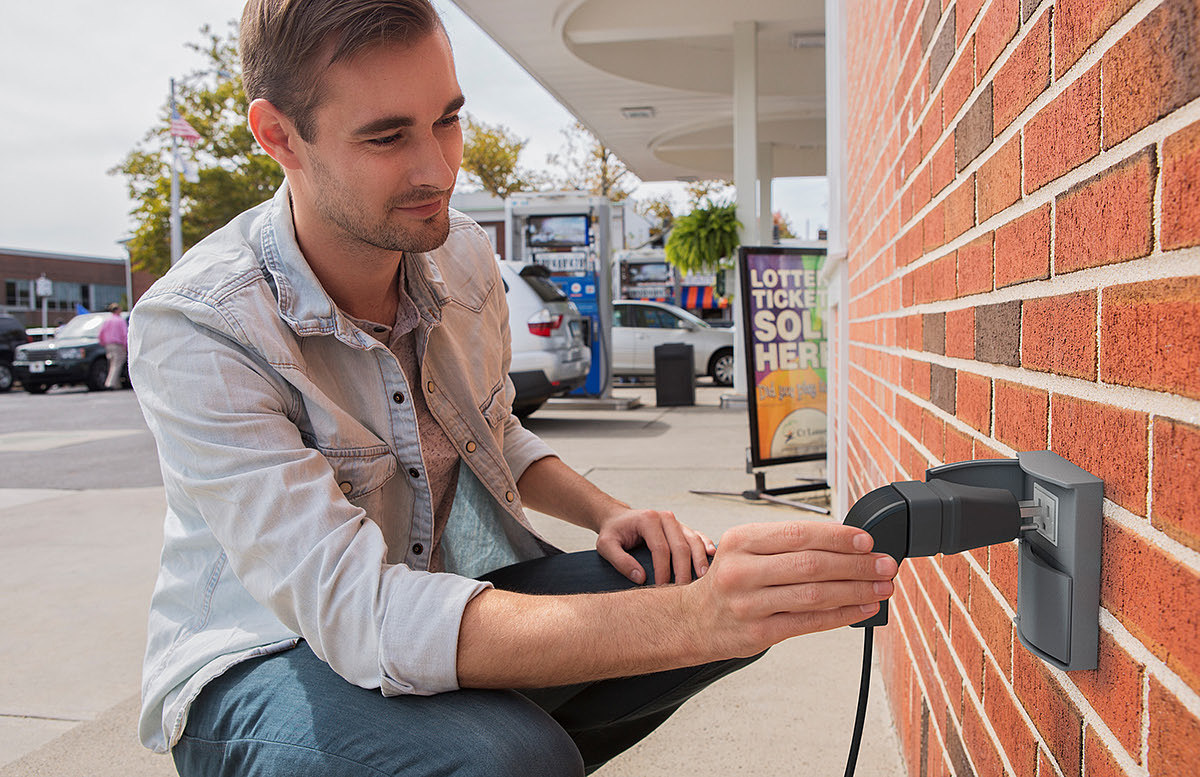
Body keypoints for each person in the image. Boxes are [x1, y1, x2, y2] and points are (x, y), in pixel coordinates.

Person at [128, 2, 899, 775]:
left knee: (692, 581)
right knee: (518, 753)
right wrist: (695, 621)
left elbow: (493, 430)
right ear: (279, 136)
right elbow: (356, 612)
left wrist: (614, 515)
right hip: (260, 661)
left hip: (426, 599)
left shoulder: (460, 255)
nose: (437, 168)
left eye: (448, 119)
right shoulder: (200, 328)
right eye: (388, 136)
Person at [97, 302, 127, 389]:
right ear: (117, 310)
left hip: (108, 345)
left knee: (112, 363)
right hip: (118, 345)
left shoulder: (107, 320)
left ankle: (117, 384)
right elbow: (124, 334)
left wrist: (102, 343)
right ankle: (110, 383)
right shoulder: (120, 320)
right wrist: (126, 346)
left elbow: (101, 333)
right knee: (117, 364)